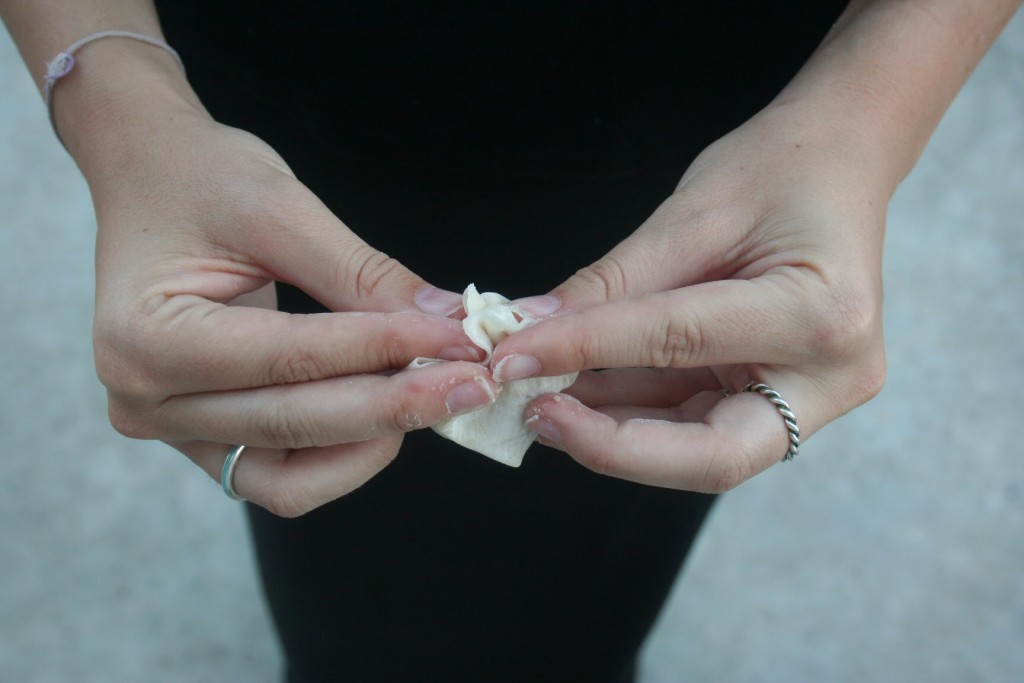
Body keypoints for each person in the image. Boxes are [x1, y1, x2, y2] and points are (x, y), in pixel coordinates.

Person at [2, 0, 1019, 680]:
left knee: (582, 552)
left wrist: (865, 116)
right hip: (278, 117)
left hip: (696, 127)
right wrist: (112, 89)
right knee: (348, 556)